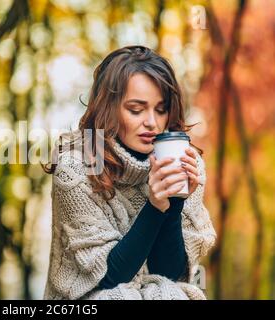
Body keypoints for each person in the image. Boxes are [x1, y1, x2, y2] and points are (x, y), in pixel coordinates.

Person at [42, 45, 216, 300]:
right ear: (109, 109)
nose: (152, 123)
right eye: (136, 109)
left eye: (161, 109)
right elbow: (109, 277)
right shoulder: (76, 168)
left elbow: (170, 275)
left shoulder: (184, 163)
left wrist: (175, 202)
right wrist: (155, 206)